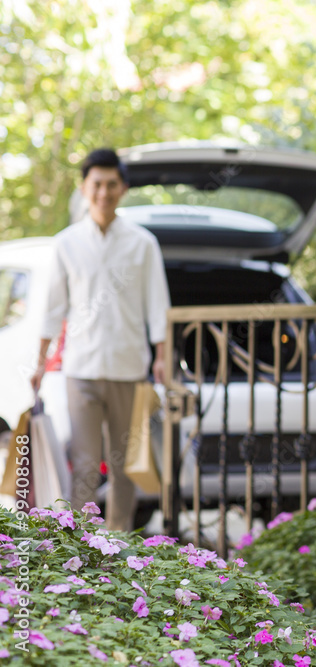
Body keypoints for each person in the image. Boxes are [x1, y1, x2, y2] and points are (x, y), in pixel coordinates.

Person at [31, 148, 171, 532]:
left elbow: (158, 306)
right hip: (82, 369)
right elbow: (52, 309)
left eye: (112, 184)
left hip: (129, 367)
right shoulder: (67, 243)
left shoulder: (143, 243)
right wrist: (40, 363)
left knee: (126, 464)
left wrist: (162, 358)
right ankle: (80, 545)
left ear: (123, 188)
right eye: (97, 184)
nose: (104, 192)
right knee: (87, 463)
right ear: (84, 188)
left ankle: (120, 541)